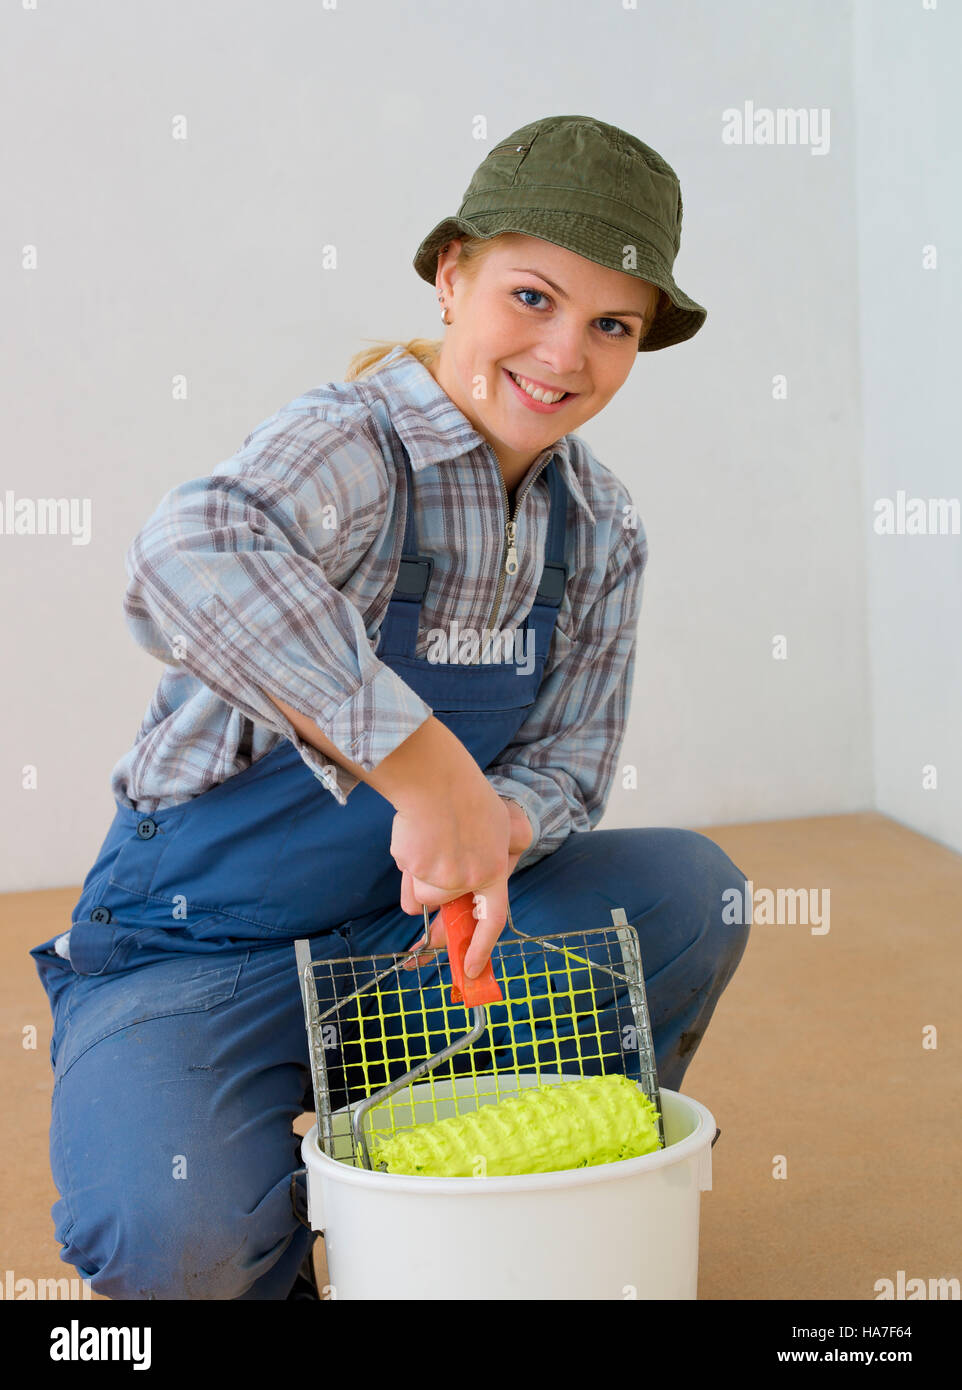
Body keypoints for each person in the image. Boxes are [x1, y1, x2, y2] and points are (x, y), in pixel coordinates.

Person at [29, 114, 751, 1300]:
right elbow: (187, 548)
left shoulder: (600, 525)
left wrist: (494, 831)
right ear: (451, 273)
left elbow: (571, 760)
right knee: (180, 1248)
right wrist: (423, 769)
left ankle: (465, 1174)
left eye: (610, 326)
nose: (564, 354)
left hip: (409, 956)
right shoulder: (355, 445)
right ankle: (266, 1184)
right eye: (531, 296)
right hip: (193, 955)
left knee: (684, 890)